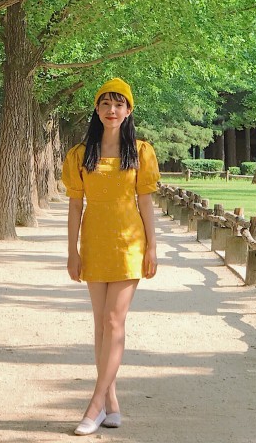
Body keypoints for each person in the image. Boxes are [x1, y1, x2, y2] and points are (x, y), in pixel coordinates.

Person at [63, 78, 160, 436]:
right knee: (101, 325)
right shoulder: (80, 154)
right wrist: (72, 251)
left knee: (115, 320)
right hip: (94, 242)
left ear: (129, 110)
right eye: (106, 103)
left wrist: (152, 246)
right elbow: (75, 206)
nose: (112, 110)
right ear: (97, 108)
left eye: (119, 104)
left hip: (129, 243)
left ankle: (94, 404)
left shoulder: (141, 152)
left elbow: (145, 202)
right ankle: (112, 400)